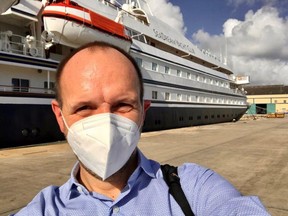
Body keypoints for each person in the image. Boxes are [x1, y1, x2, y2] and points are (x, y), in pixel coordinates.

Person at [12, 41, 270, 215]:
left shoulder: (192, 188)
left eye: (123, 105)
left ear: (144, 111)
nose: (106, 122)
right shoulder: (44, 209)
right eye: (84, 108)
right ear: (60, 116)